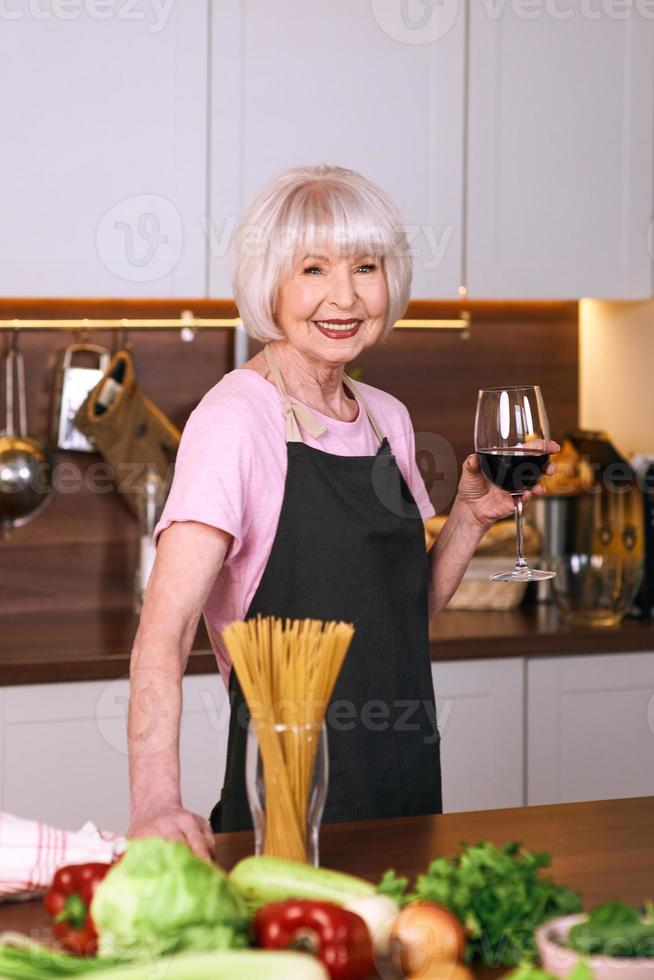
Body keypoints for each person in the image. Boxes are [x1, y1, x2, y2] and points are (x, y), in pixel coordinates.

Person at [126, 164, 556, 861]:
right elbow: (164, 632)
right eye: (313, 270)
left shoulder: (387, 417)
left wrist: (469, 519)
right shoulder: (236, 419)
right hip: (287, 801)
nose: (345, 296)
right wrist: (154, 800)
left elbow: (400, 612)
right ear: (271, 284)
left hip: (406, 778)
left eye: (366, 266)